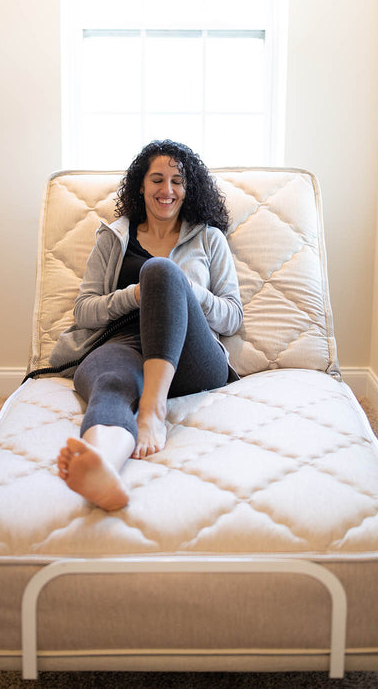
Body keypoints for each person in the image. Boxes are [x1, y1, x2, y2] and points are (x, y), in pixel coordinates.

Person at [54, 139, 243, 511]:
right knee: (109, 385)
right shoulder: (113, 238)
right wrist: (135, 295)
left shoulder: (209, 238)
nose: (167, 190)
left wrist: (186, 289)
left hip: (190, 355)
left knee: (161, 269)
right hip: (123, 345)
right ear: (141, 186)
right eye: (157, 179)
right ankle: (103, 466)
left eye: (177, 181)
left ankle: (153, 412)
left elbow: (233, 315)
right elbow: (84, 311)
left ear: (189, 190)